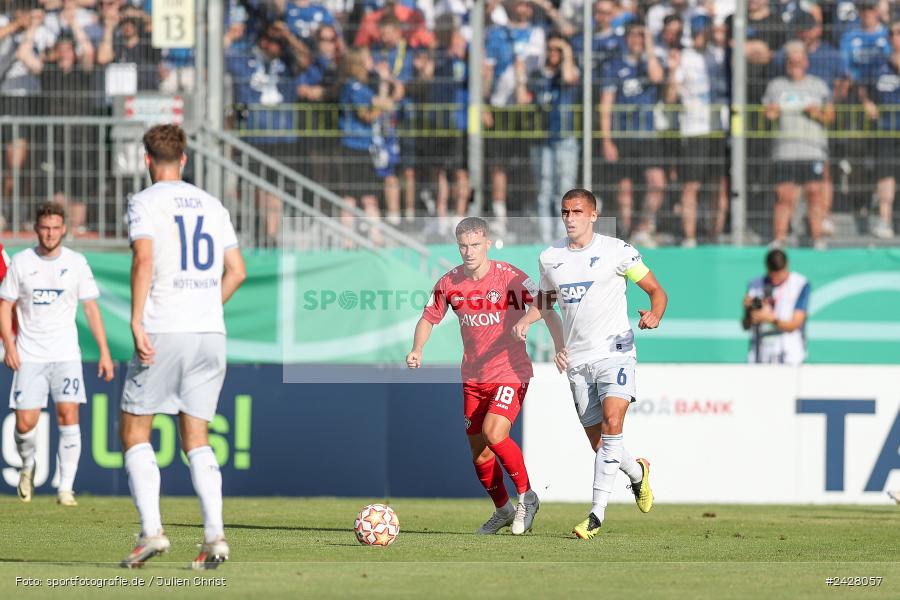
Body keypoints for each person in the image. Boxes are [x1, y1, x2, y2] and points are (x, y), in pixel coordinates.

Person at [118, 124, 247, 569]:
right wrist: (205, 306)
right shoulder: (213, 205)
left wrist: (137, 320)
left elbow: (144, 259)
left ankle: (151, 531)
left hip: (164, 328)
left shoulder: (144, 202)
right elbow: (237, 271)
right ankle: (215, 537)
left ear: (147, 160)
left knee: (135, 430)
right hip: (209, 332)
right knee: (197, 437)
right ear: (185, 159)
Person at [519, 188, 665, 540]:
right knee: (601, 444)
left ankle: (596, 515)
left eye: (577, 212)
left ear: (593, 216)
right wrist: (527, 320)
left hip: (616, 350)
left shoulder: (618, 251)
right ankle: (637, 473)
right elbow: (545, 300)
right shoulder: (550, 257)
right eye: (565, 212)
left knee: (614, 422)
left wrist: (655, 314)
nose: (570, 218)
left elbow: (656, 291)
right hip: (578, 360)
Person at [406, 217, 564, 535]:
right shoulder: (449, 283)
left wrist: (560, 346)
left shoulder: (510, 279)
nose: (469, 251)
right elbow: (428, 318)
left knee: (495, 432)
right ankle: (503, 509)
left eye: (475, 245)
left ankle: (528, 497)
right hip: (473, 377)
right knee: (479, 453)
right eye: (463, 245)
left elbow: (547, 305)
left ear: (487, 244)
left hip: (510, 371)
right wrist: (417, 349)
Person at [0, 202, 114, 507]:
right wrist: (9, 346)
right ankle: (27, 465)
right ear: (36, 229)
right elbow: (5, 305)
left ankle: (66, 488)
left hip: (65, 354)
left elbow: (91, 307)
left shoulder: (76, 263)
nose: (50, 234)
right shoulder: (22, 263)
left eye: (55, 228)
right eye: (45, 228)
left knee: (69, 415)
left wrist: (104, 351)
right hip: (29, 354)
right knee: (25, 423)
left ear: (64, 229)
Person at [599, 20, 667, 246]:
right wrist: (607, 140)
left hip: (647, 134)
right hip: (624, 134)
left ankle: (643, 228)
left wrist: (649, 47)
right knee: (624, 191)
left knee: (657, 183)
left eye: (641, 35)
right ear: (626, 38)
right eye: (633, 35)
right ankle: (626, 238)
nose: (636, 40)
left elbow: (657, 77)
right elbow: (606, 105)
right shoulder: (614, 66)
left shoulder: (652, 62)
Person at [762, 41, 834, 249]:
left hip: (813, 149)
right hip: (785, 150)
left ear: (806, 62)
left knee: (814, 193)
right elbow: (766, 115)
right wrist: (771, 113)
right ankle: (780, 238)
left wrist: (817, 113)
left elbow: (830, 116)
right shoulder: (776, 86)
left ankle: (817, 237)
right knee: (784, 195)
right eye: (790, 61)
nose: (794, 65)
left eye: (798, 61)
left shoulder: (818, 85)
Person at [861, 17, 900, 240]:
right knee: (886, 176)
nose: (897, 38)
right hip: (886, 128)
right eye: (893, 33)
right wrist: (867, 102)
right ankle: (885, 221)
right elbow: (864, 88)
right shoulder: (879, 64)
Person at [741, 248, 810, 365]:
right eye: (773, 274)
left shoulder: (799, 284)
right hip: (761, 351)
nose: (776, 278)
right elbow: (746, 324)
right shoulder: (755, 285)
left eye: (780, 273)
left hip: (789, 351)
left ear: (787, 265)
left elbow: (795, 324)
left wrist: (770, 319)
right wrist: (749, 309)